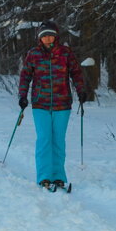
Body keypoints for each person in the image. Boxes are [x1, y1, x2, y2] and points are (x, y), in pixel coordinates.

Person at [17, 21, 86, 190]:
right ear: (40, 38)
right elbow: (25, 76)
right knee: (44, 140)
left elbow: (76, 73)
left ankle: (58, 177)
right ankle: (44, 177)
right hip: (40, 104)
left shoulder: (65, 53)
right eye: (44, 36)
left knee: (58, 141)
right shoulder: (33, 54)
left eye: (51, 35)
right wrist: (22, 96)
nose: (48, 39)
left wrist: (81, 90)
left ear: (56, 36)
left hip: (62, 104)